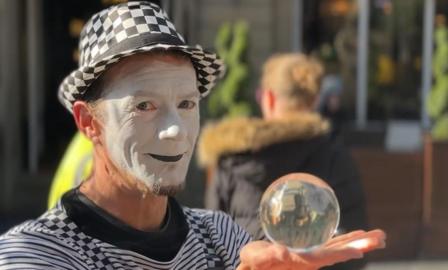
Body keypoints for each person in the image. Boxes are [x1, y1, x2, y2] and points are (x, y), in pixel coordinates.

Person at [0, 2, 385, 269]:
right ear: (88, 122)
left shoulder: (222, 237)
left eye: (186, 104)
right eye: (144, 106)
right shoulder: (34, 256)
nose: (175, 131)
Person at [199, 53, 369, 269]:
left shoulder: (231, 160)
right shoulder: (336, 156)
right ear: (315, 100)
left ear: (268, 98)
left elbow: (212, 245)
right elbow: (352, 248)